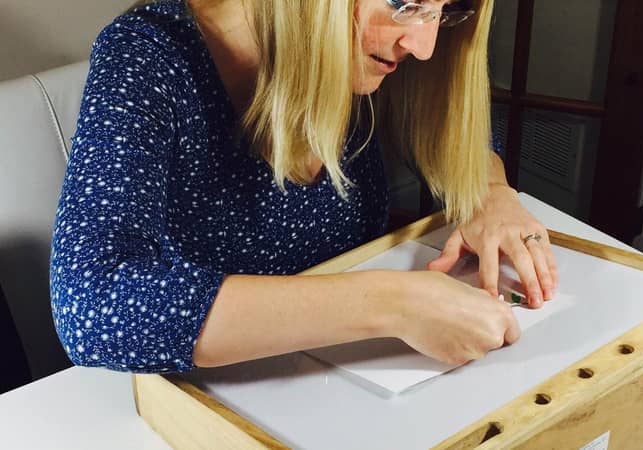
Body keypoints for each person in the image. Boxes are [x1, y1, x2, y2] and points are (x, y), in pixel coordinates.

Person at [50, 0, 559, 374]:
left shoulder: (371, 42)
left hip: (357, 377)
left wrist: (491, 193)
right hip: (218, 399)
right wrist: (391, 303)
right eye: (404, 2)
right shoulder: (148, 54)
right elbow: (93, 306)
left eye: (446, 11)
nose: (423, 47)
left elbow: (460, 129)